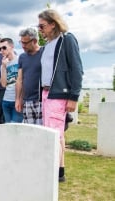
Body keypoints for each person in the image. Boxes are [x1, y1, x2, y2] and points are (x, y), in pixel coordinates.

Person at [38, 9, 83, 182]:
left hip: (59, 93)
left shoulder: (67, 40)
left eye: (42, 26)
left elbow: (77, 69)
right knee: (56, 133)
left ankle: (54, 171)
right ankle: (59, 171)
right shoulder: (48, 45)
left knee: (53, 134)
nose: (39, 29)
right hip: (46, 92)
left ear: (53, 24)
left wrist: (74, 96)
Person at [15, 28, 43, 125]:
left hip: (42, 101)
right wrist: (18, 99)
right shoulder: (22, 57)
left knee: (43, 133)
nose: (23, 45)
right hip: (27, 101)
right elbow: (19, 80)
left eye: (25, 43)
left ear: (34, 41)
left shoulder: (45, 52)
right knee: (29, 134)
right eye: (21, 42)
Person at [0, 38, 23, 123]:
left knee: (15, 128)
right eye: (0, 48)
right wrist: (4, 67)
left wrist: (20, 99)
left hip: (17, 101)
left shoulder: (20, 60)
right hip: (6, 101)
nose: (2, 50)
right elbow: (3, 84)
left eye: (4, 48)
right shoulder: (3, 65)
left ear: (12, 46)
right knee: (8, 129)